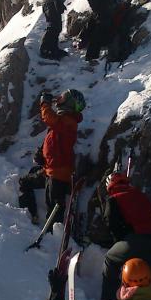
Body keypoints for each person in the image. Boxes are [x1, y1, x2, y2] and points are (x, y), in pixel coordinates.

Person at [99, 172, 151, 300]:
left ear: (110, 186)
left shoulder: (114, 198)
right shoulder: (139, 194)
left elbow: (111, 224)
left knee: (110, 259)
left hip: (139, 239)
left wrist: (118, 243)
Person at [35, 88, 85, 225]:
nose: (59, 99)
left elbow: (49, 117)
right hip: (50, 170)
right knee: (26, 183)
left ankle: (53, 233)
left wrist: (45, 103)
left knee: (54, 210)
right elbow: (55, 144)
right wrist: (42, 154)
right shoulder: (63, 122)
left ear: (69, 102)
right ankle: (31, 219)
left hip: (58, 173)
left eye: (63, 97)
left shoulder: (68, 122)